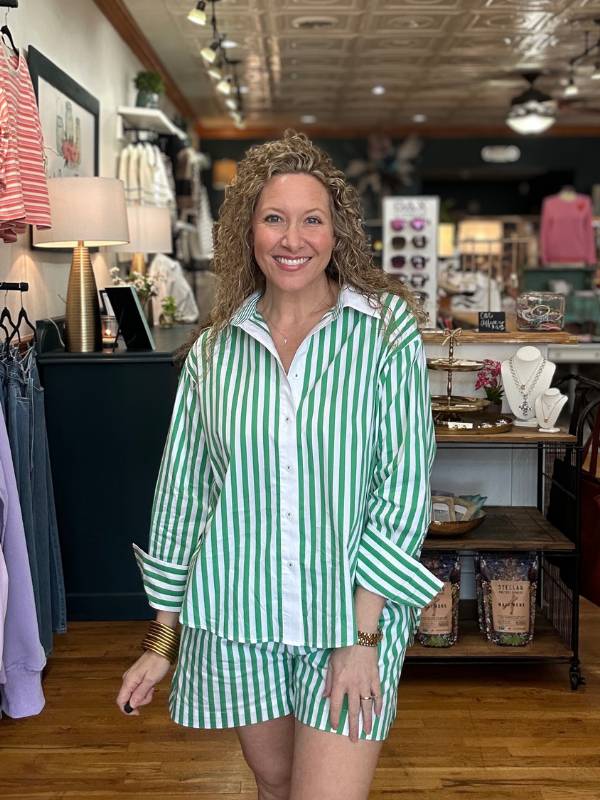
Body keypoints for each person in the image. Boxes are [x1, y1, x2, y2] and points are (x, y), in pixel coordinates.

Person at [117, 131, 442, 800]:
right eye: (274, 218)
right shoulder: (212, 353)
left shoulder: (384, 332)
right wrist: (160, 643)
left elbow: (403, 488)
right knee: (273, 786)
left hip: (350, 616)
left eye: (311, 219)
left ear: (336, 233)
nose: (292, 238)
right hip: (241, 619)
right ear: (249, 230)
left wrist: (363, 636)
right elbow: (185, 495)